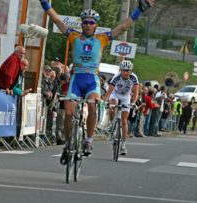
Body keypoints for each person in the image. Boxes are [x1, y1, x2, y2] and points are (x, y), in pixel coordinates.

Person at [39, 0, 155, 164]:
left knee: (93, 105)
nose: (87, 25)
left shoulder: (102, 38)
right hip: (76, 79)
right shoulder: (73, 36)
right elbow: (57, 19)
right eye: (85, 22)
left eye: (91, 23)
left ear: (95, 25)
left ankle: (88, 141)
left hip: (92, 80)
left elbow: (123, 27)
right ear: (82, 24)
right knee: (69, 111)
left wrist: (140, 10)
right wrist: (44, 3)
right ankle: (67, 144)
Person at [103, 60, 139, 155]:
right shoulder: (116, 77)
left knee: (124, 120)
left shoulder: (134, 78)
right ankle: (112, 124)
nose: (126, 72)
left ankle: (123, 143)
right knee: (113, 103)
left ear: (131, 71)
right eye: (124, 70)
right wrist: (105, 101)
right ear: (121, 70)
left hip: (126, 96)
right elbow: (110, 91)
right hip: (115, 94)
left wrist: (134, 102)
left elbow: (136, 92)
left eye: (128, 70)